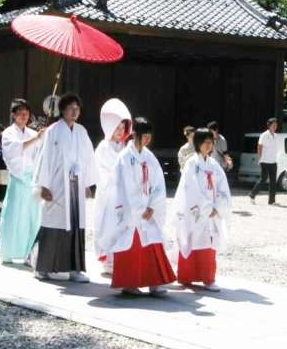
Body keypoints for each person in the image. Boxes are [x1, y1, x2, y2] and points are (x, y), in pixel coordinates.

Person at [97, 117, 176, 296]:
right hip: (129, 211)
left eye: (149, 136)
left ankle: (155, 282)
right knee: (130, 244)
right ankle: (129, 283)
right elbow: (125, 186)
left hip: (148, 209)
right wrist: (140, 209)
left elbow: (158, 184)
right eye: (144, 136)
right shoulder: (125, 157)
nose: (147, 140)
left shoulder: (149, 157)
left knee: (154, 242)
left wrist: (153, 206)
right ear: (134, 134)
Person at [34, 93, 99, 281]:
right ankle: (43, 267)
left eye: (77, 108)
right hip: (56, 184)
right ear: (62, 110)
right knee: (53, 223)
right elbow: (44, 157)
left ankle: (74, 269)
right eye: (70, 108)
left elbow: (88, 158)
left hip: (75, 184)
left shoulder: (81, 132)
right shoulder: (53, 130)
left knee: (76, 223)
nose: (74, 111)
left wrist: (86, 183)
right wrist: (43, 185)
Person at [174, 128, 231, 291]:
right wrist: (206, 206)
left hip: (212, 211)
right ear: (198, 143)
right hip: (196, 210)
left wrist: (218, 206)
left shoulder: (214, 165)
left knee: (208, 244)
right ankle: (186, 276)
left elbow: (222, 187)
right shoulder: (192, 163)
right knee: (191, 240)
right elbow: (190, 188)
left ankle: (208, 278)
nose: (209, 145)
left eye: (211, 142)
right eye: (205, 142)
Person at [0, 99, 44, 264]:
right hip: (18, 178)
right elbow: (16, 149)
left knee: (33, 218)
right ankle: (8, 251)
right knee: (14, 217)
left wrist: (41, 137)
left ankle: (29, 252)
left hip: (31, 180)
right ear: (13, 115)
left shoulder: (32, 133)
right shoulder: (8, 133)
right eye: (21, 113)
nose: (24, 116)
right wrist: (37, 138)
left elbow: (39, 154)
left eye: (26, 113)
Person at [94, 98, 132, 276]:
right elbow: (103, 171)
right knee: (109, 225)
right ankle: (109, 261)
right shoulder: (103, 147)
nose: (120, 132)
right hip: (109, 194)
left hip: (125, 194)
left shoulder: (127, 146)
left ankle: (122, 258)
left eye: (123, 128)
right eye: (116, 128)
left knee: (124, 226)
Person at [249, 117, 279, 205]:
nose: (275, 126)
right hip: (265, 160)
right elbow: (259, 147)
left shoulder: (276, 136)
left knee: (273, 181)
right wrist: (260, 158)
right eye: (273, 125)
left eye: (276, 125)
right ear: (269, 126)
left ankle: (271, 200)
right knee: (263, 179)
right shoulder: (264, 135)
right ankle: (252, 194)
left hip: (273, 161)